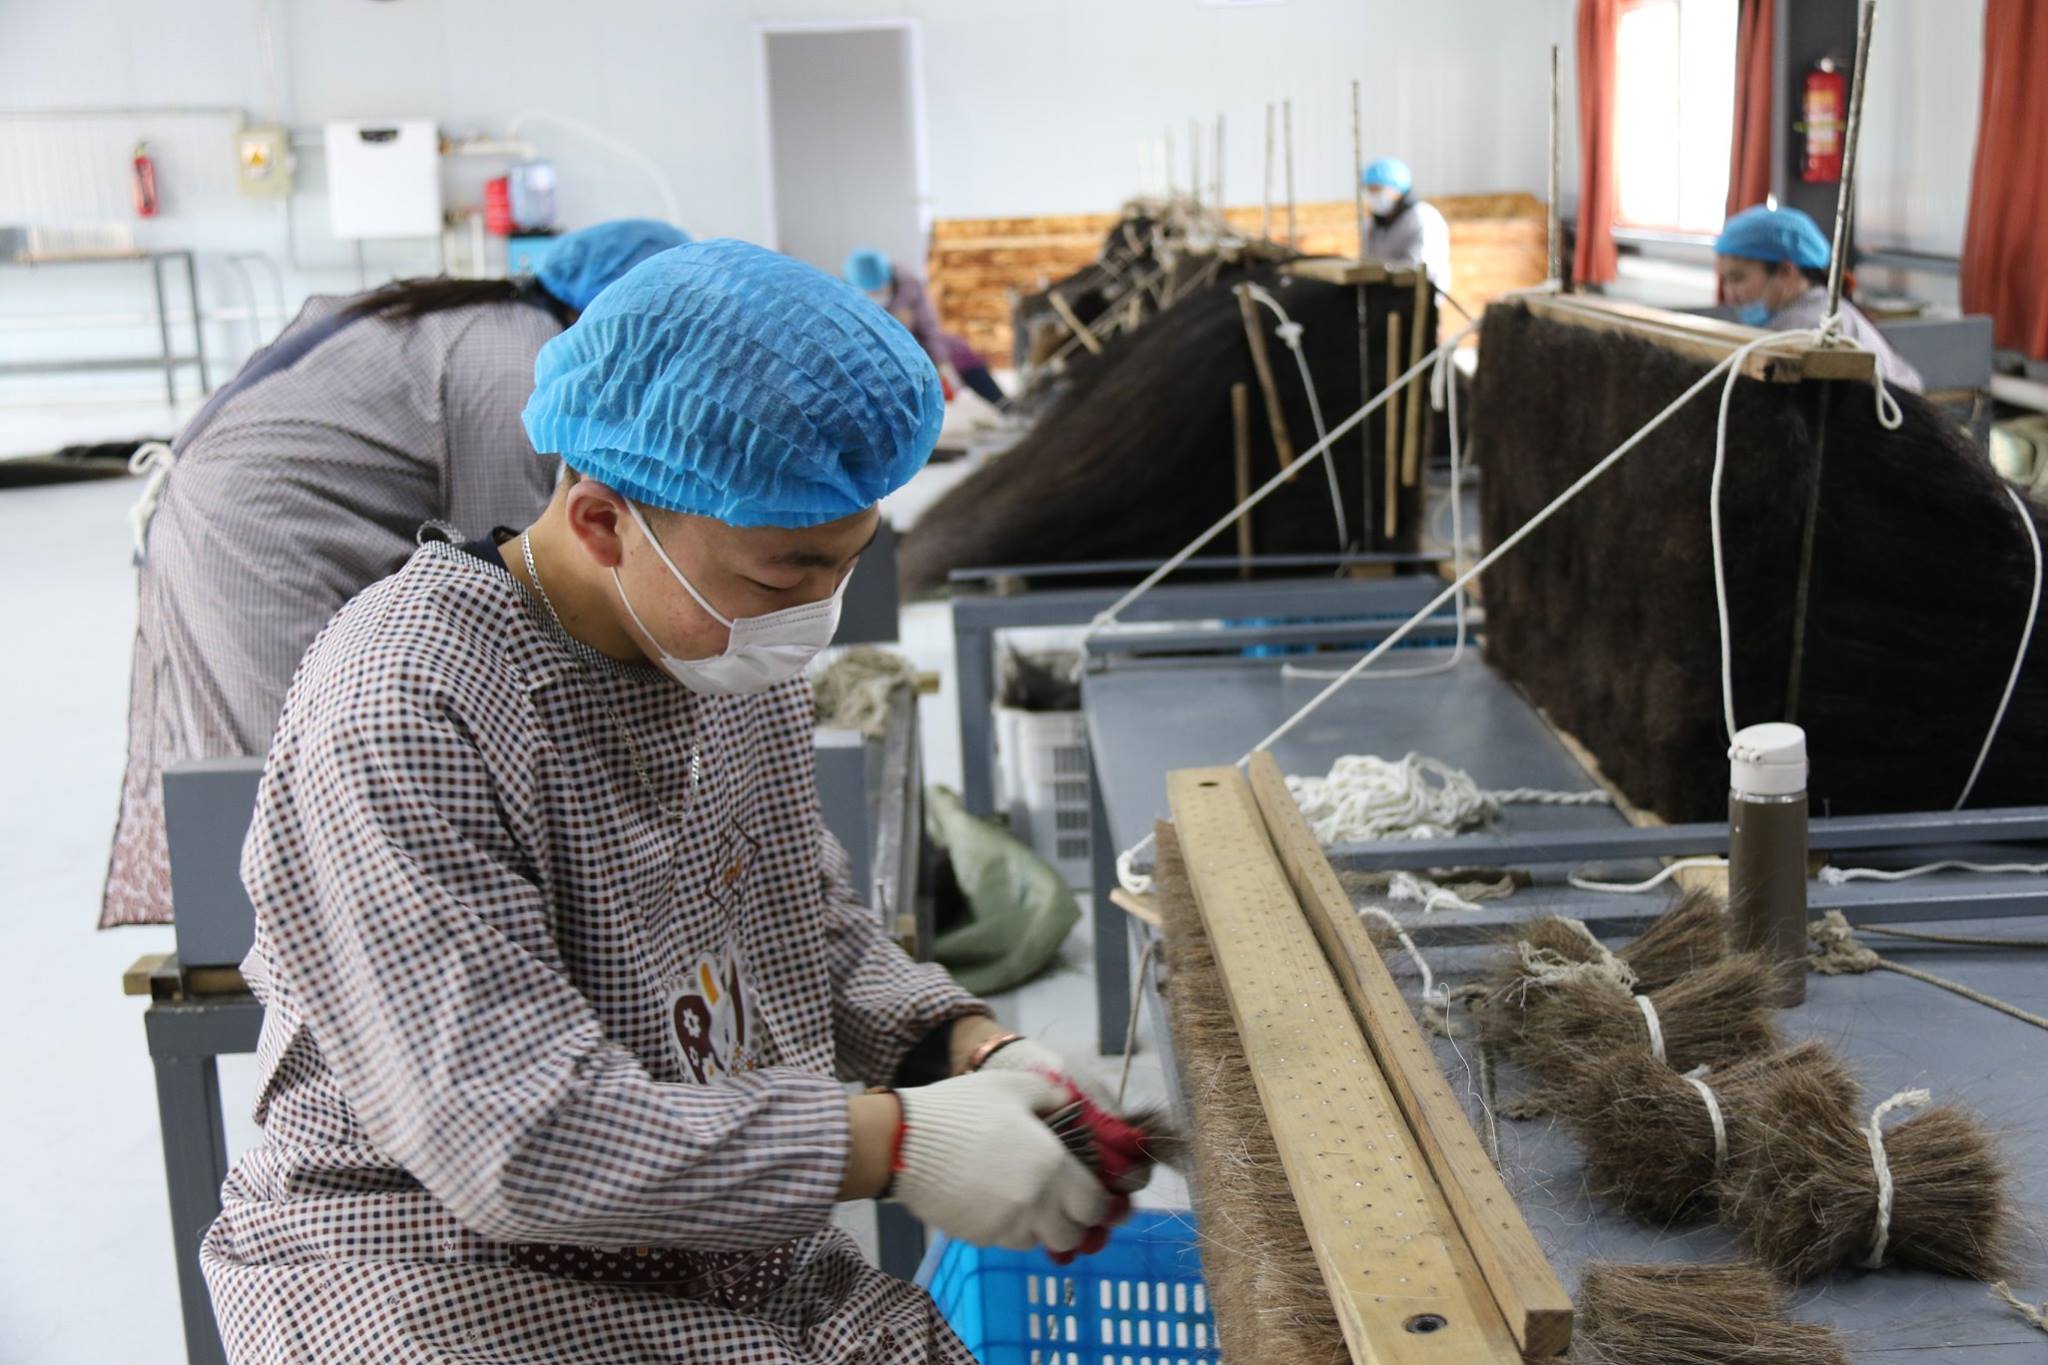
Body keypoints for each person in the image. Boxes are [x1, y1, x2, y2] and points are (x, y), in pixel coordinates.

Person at [198, 239, 1139, 1364]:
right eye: (785, 573)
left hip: (694, 1237)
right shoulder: (411, 707)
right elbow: (516, 1134)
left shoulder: (712, 652)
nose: (818, 612)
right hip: (431, 1272)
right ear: (601, 523)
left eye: (847, 560)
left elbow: (808, 932)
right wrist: (895, 1145)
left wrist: (964, 1048)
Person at [99, 218, 690, 928]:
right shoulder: (517, 360)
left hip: (252, 510)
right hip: (261, 539)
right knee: (318, 774)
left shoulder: (482, 315)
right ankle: (346, 955)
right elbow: (524, 576)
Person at [1715, 203, 1924, 393]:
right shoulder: (1813, 312)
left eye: (1737, 279)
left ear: (1786, 272)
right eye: (1724, 280)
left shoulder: (1805, 328)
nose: (1729, 295)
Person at [845, 247, 1009, 410]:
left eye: (879, 290)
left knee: (960, 351)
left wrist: (943, 365)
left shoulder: (908, 286)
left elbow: (928, 328)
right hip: (874, 356)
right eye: (870, 293)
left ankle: (1004, 404)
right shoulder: (846, 298)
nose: (875, 295)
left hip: (916, 344)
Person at [1360, 156, 1453, 291]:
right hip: (1384, 290)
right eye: (1370, 190)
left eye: (1378, 190)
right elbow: (1368, 259)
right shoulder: (1372, 223)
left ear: (1397, 188)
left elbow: (1418, 266)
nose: (1373, 196)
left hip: (1420, 291)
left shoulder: (1423, 218)